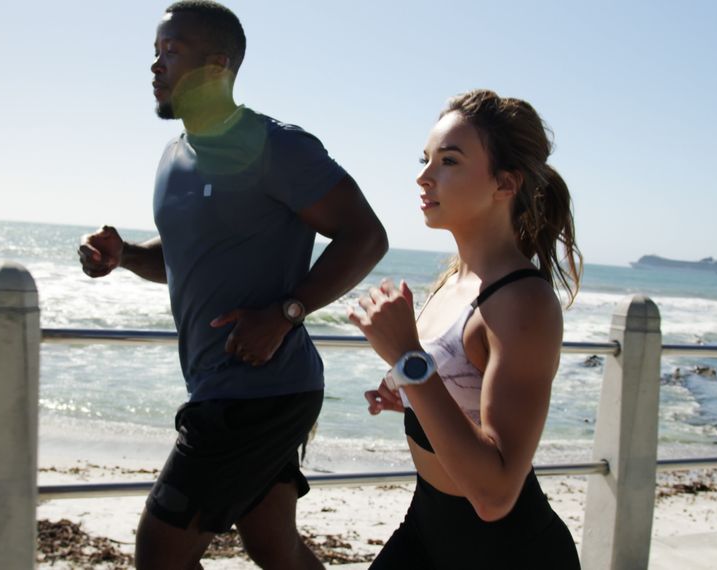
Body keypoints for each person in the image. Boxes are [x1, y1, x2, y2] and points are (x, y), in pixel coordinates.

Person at [78, 2, 388, 568]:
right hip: (231, 387)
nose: (155, 65)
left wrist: (287, 312)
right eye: (155, 51)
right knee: (274, 544)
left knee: (160, 551)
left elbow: (366, 237)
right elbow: (176, 260)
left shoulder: (278, 146)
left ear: (217, 65)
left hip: (256, 393)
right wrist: (124, 256)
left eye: (171, 51)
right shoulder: (175, 156)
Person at [348, 89, 583, 568]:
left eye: (449, 161)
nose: (423, 176)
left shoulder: (522, 302)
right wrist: (411, 397)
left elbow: (495, 494)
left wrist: (409, 361)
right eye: (426, 158)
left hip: (505, 551)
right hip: (426, 528)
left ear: (505, 184)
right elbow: (458, 401)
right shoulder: (454, 281)